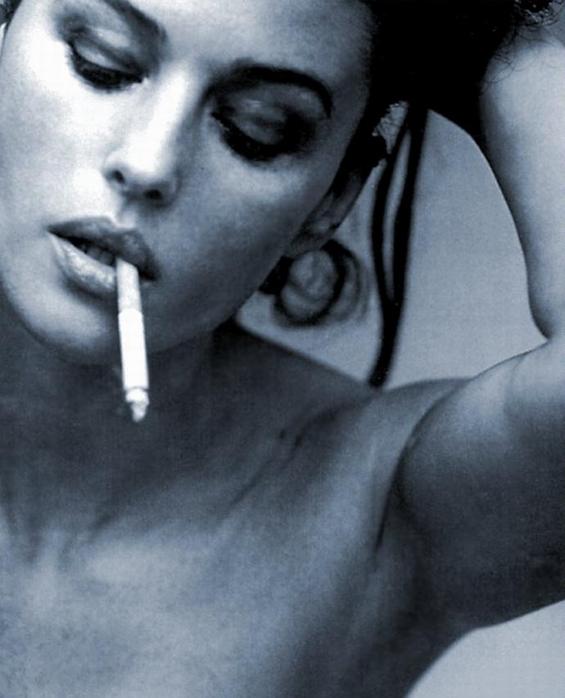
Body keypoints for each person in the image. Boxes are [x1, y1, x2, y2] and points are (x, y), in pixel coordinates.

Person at [0, 0, 563, 696]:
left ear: (331, 199)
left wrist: (503, 34)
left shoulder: (374, 515)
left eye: (256, 128)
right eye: (102, 63)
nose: (147, 163)